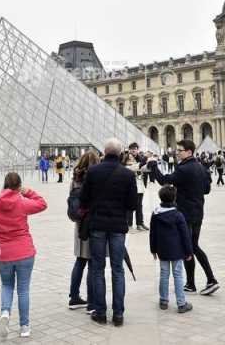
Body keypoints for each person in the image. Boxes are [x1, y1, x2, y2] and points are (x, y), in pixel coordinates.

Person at [79, 138, 137, 327]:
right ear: (120, 153)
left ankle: (101, 313)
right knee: (117, 269)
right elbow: (132, 204)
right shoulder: (128, 174)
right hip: (118, 227)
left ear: (104, 151)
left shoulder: (93, 172)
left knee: (97, 269)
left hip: (97, 225)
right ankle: (118, 314)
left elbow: (83, 199)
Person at [150, 139, 218, 296]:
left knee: (190, 247)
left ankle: (206, 280)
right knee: (193, 246)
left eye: (179, 150)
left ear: (189, 152)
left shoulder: (183, 169)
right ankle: (196, 283)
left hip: (185, 214)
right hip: (198, 212)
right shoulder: (201, 168)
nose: (177, 153)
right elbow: (206, 190)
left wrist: (153, 166)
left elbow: (164, 181)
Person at [0, 172, 47, 338]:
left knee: (6, 285)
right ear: (19, 186)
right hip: (24, 251)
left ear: (5, 184)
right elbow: (42, 204)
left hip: (3, 252)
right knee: (23, 290)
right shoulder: (22, 202)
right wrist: (28, 192)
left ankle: (5, 312)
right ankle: (24, 327)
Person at [150, 184, 194, 314]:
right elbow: (185, 235)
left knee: (164, 274)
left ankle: (163, 301)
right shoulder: (178, 215)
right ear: (174, 198)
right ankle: (181, 303)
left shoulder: (155, 214)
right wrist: (189, 251)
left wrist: (153, 249)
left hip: (162, 250)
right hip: (177, 250)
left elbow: (152, 233)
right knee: (178, 275)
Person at [67, 150, 99, 311]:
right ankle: (92, 303)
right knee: (92, 262)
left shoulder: (75, 179)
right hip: (93, 224)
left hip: (79, 225)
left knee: (80, 261)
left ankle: (74, 297)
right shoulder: (95, 179)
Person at [123, 152, 148, 231]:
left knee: (139, 206)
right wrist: (145, 159)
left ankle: (140, 223)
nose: (132, 160)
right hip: (132, 189)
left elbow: (146, 168)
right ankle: (129, 225)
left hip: (140, 188)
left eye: (133, 159)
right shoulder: (126, 167)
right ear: (126, 160)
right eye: (129, 159)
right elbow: (137, 167)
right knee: (131, 206)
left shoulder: (136, 165)